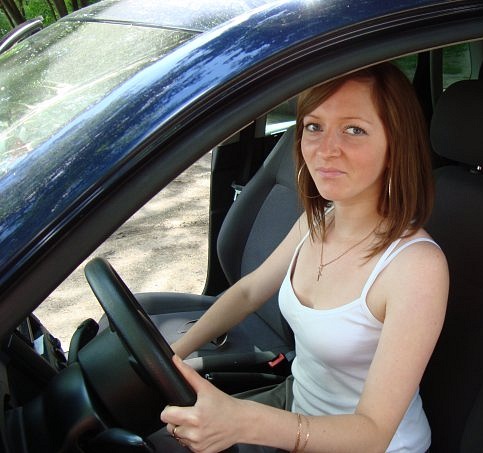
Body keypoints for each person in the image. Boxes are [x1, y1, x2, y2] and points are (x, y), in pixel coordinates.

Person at [156, 62, 449, 453]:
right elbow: (248, 292)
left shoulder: (415, 267)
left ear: (396, 145)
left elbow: (373, 433)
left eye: (354, 129)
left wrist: (243, 422)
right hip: (296, 403)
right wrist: (174, 353)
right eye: (314, 126)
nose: (326, 149)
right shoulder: (318, 221)